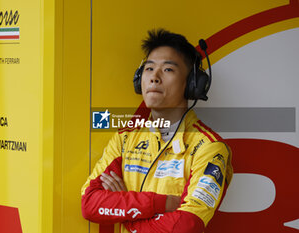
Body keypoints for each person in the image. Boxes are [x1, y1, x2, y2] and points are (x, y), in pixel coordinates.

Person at [81, 29, 233, 233]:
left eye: (168, 69)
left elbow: (186, 225)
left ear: (192, 84)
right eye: (149, 68)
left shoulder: (209, 149)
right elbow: (90, 204)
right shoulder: (125, 140)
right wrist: (164, 203)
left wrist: (127, 214)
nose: (154, 77)